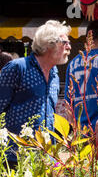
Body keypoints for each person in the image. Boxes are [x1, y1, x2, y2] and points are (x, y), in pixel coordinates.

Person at [0, 20, 71, 167]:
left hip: (44, 157)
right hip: (14, 158)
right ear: (49, 44)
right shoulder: (18, 68)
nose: (69, 47)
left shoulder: (55, 74)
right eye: (65, 42)